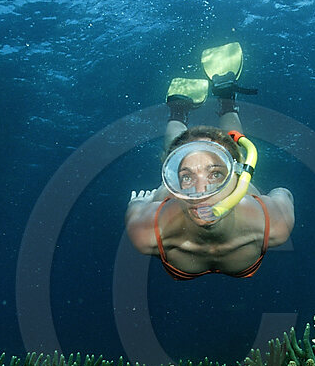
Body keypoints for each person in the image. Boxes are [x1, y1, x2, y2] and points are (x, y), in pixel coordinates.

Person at [125, 43, 294, 279]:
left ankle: (221, 101)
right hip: (177, 202)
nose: (201, 191)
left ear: (236, 176)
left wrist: (139, 203)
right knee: (178, 152)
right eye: (186, 176)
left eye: (215, 174)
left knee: (202, 151)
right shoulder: (145, 233)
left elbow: (282, 194)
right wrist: (141, 204)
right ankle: (182, 112)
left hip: (239, 192)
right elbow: (283, 192)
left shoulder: (275, 224)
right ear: (173, 179)